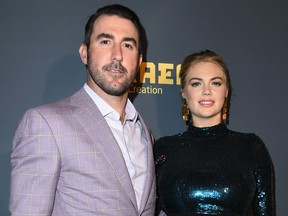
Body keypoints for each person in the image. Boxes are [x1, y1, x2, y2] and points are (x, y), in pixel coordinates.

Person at [9, 4, 156, 216]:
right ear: (85, 53)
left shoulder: (144, 133)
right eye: (105, 41)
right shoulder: (45, 123)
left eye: (128, 45)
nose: (117, 55)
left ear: (140, 60)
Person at [154, 50, 276, 216]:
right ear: (183, 91)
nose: (206, 91)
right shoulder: (163, 149)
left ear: (226, 91)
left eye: (216, 83)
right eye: (196, 83)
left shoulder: (251, 147)